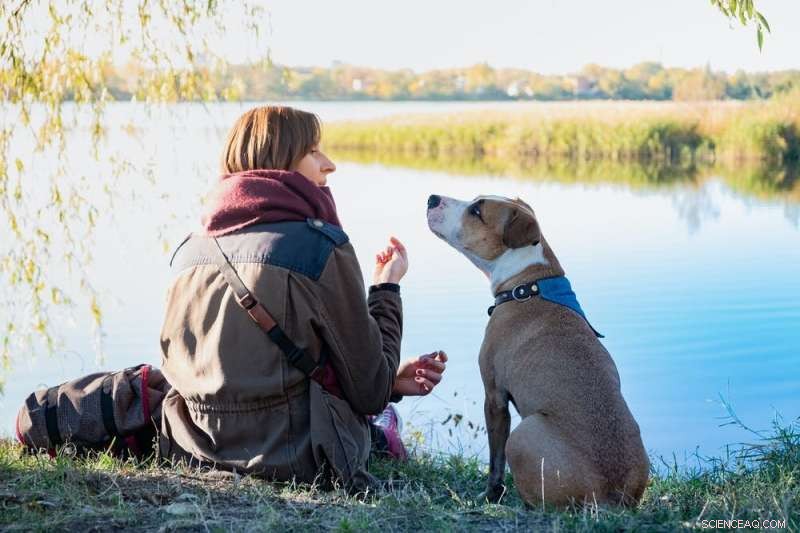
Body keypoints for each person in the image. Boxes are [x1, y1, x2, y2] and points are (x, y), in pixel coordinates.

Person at [157, 106, 447, 490]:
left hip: (192, 449)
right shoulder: (319, 248)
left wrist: (391, 380)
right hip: (298, 459)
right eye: (313, 152)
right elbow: (371, 390)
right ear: (278, 161)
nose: (329, 165)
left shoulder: (189, 251)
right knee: (378, 415)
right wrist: (385, 289)